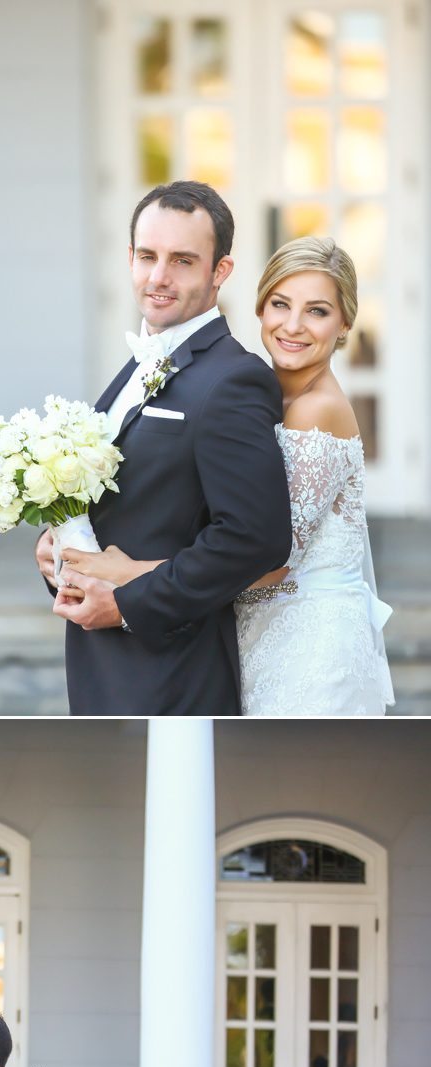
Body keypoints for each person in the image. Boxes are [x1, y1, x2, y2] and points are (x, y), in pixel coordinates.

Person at [65, 237, 395, 716]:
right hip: (250, 639)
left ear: (345, 322)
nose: (294, 325)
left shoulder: (316, 410)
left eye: (318, 311)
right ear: (260, 309)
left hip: (308, 653)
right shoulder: (258, 392)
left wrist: (127, 573)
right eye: (280, 304)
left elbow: (269, 562)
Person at [35, 179, 293, 715]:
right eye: (148, 256)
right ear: (129, 257)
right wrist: (57, 543)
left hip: (172, 672)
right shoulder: (137, 363)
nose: (158, 277)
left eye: (182, 260)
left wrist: (128, 604)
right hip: (99, 665)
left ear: (220, 270)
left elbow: (255, 538)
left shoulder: (235, 380)